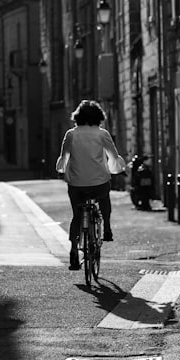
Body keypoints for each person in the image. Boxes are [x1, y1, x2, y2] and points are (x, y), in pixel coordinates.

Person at [56, 100, 126, 270]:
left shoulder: (71, 134)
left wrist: (61, 170)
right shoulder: (102, 134)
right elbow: (113, 156)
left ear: (77, 117)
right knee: (104, 199)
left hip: (77, 183)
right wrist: (117, 169)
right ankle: (107, 228)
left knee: (77, 215)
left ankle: (73, 249)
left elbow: (64, 157)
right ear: (99, 117)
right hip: (98, 181)